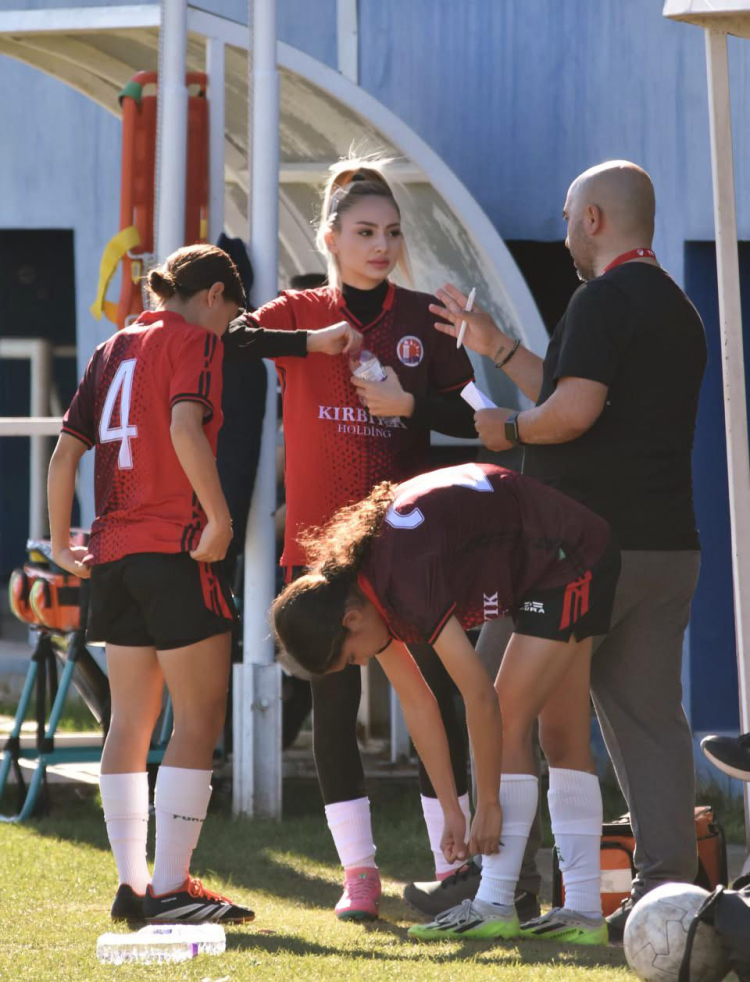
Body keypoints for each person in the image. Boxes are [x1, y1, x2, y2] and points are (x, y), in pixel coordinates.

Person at [418, 160, 707, 939]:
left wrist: (506, 429)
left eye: (569, 216)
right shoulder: (677, 307)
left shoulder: (601, 298)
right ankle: (665, 901)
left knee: (493, 700)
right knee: (648, 723)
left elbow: (572, 410)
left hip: (577, 550)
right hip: (666, 549)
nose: (565, 231)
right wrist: (500, 347)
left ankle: (498, 889)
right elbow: (576, 390)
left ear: (594, 220)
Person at [48, 244, 356, 926]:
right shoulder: (195, 340)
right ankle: (171, 887)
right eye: (231, 313)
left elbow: (64, 453)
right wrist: (219, 518)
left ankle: (132, 886)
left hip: (113, 554)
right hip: (176, 550)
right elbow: (186, 425)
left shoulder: (111, 348)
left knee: (129, 722)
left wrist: (61, 541)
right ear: (215, 295)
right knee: (199, 717)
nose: (229, 330)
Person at [224, 157, 479, 921]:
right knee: (331, 702)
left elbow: (478, 417)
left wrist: (409, 406)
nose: (382, 246)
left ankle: (454, 865)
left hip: (405, 545)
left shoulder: (422, 318)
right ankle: (359, 876)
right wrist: (311, 345)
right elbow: (230, 336)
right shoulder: (300, 311)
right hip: (318, 552)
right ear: (330, 238)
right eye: (365, 232)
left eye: (393, 233)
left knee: (435, 694)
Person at [272, 461, 620, 943]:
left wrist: (488, 804)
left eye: (350, 658)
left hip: (569, 556)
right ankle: (582, 913)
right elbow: (419, 704)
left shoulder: (403, 580)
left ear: (350, 621)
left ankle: (495, 902)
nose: (361, 664)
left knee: (510, 714)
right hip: (554, 557)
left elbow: (479, 696)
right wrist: (454, 812)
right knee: (561, 738)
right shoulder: (363, 588)